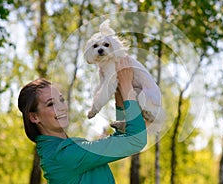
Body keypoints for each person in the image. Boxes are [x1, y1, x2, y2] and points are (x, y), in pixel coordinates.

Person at [17, 57, 147, 183]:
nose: (61, 108)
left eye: (61, 100)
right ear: (34, 117)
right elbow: (136, 140)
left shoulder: (63, 150)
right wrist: (126, 87)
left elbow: (122, 140)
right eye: (51, 104)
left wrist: (119, 93)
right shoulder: (64, 155)